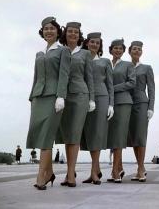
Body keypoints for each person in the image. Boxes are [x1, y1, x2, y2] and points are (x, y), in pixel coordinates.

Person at [26, 16, 71, 190]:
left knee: (46, 136)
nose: (49, 31)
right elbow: (36, 77)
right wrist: (31, 97)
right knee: (39, 135)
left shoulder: (63, 51)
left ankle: (41, 176)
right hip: (38, 97)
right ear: (42, 32)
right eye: (46, 28)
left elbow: (64, 74)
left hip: (54, 97)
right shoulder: (39, 53)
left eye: (52, 28)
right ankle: (50, 172)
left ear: (57, 31)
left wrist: (61, 96)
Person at [55, 22, 95, 187]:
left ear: (79, 36)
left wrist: (92, 98)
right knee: (66, 136)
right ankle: (69, 173)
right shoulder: (59, 51)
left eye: (76, 32)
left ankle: (71, 174)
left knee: (75, 134)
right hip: (62, 96)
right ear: (66, 34)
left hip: (80, 96)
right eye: (70, 31)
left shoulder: (85, 54)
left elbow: (89, 77)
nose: (73, 34)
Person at [81, 32, 114, 185]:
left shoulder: (105, 62)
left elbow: (110, 84)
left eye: (97, 42)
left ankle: (94, 173)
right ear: (87, 43)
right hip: (85, 97)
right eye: (92, 42)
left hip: (101, 98)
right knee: (88, 134)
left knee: (97, 134)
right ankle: (96, 170)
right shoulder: (81, 58)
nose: (94, 44)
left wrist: (111, 104)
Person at [107, 39, 136, 183]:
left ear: (123, 51)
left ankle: (114, 170)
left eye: (120, 48)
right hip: (108, 103)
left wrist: (113, 88)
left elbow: (132, 83)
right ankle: (119, 167)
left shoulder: (128, 65)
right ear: (110, 49)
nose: (118, 50)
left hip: (123, 102)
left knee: (119, 135)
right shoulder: (106, 64)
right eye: (115, 48)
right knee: (112, 136)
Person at [127, 41, 155, 182]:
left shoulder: (146, 68)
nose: (137, 51)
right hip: (127, 105)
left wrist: (151, 107)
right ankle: (141, 167)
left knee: (141, 136)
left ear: (141, 52)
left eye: (139, 49)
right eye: (134, 49)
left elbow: (151, 88)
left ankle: (140, 168)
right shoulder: (125, 67)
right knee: (133, 138)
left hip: (142, 104)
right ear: (129, 51)